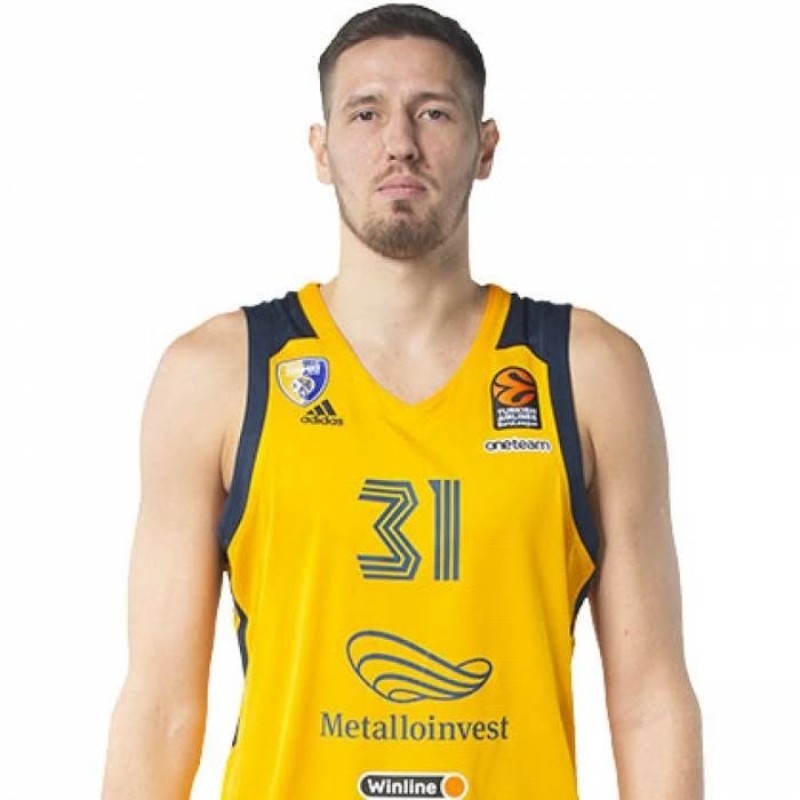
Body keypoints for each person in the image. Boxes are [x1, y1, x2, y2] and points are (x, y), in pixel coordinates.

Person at [102, 4, 703, 798]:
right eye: (365, 113)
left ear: (485, 147)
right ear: (321, 150)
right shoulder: (218, 375)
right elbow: (161, 710)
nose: (400, 143)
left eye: (433, 112)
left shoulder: (587, 371)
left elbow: (650, 699)